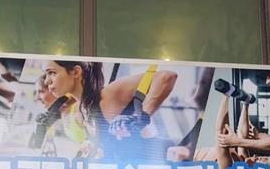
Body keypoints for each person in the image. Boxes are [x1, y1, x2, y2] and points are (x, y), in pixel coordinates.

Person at [43, 60, 177, 160]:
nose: (47, 81)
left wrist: (142, 116)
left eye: (52, 73)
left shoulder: (107, 96)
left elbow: (166, 77)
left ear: (76, 72)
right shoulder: (83, 109)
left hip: (166, 167)